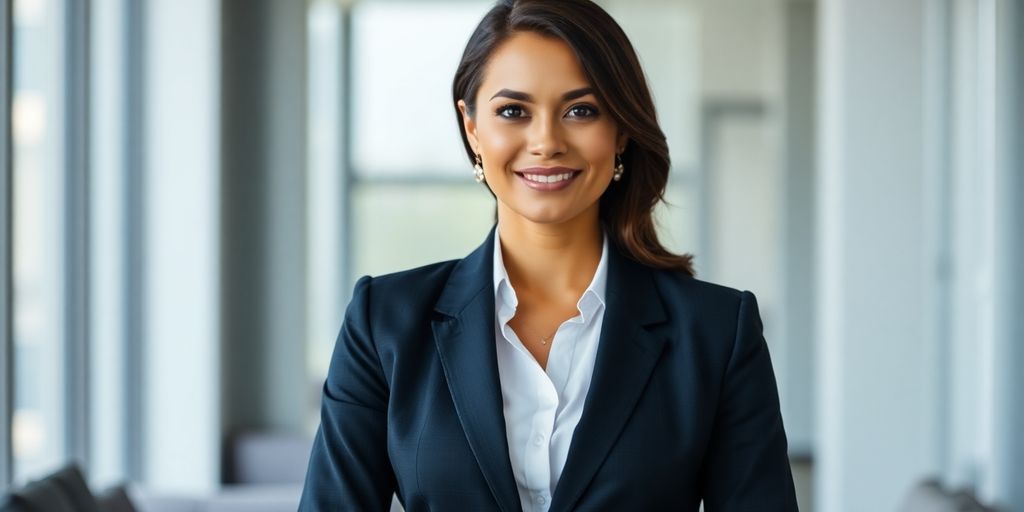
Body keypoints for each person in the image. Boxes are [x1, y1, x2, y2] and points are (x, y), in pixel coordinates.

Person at [299, 0, 798, 510]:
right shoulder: (383, 322)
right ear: (472, 127)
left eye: (581, 110)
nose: (546, 142)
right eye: (513, 111)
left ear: (621, 129)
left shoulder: (717, 331)